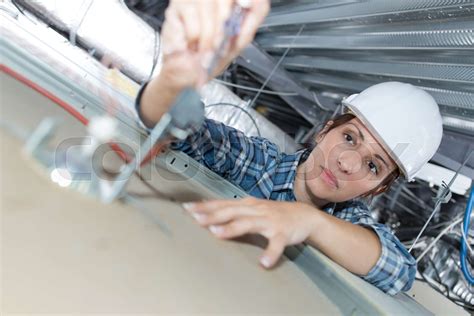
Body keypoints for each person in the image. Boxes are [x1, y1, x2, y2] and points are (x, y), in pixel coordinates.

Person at [135, 0, 443, 295]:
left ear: (376, 189)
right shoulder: (258, 163)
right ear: (324, 130)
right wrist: (173, 82)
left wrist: (308, 222)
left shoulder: (349, 224)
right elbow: (174, 129)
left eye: (373, 166)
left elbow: (400, 271)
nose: (348, 163)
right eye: (350, 137)